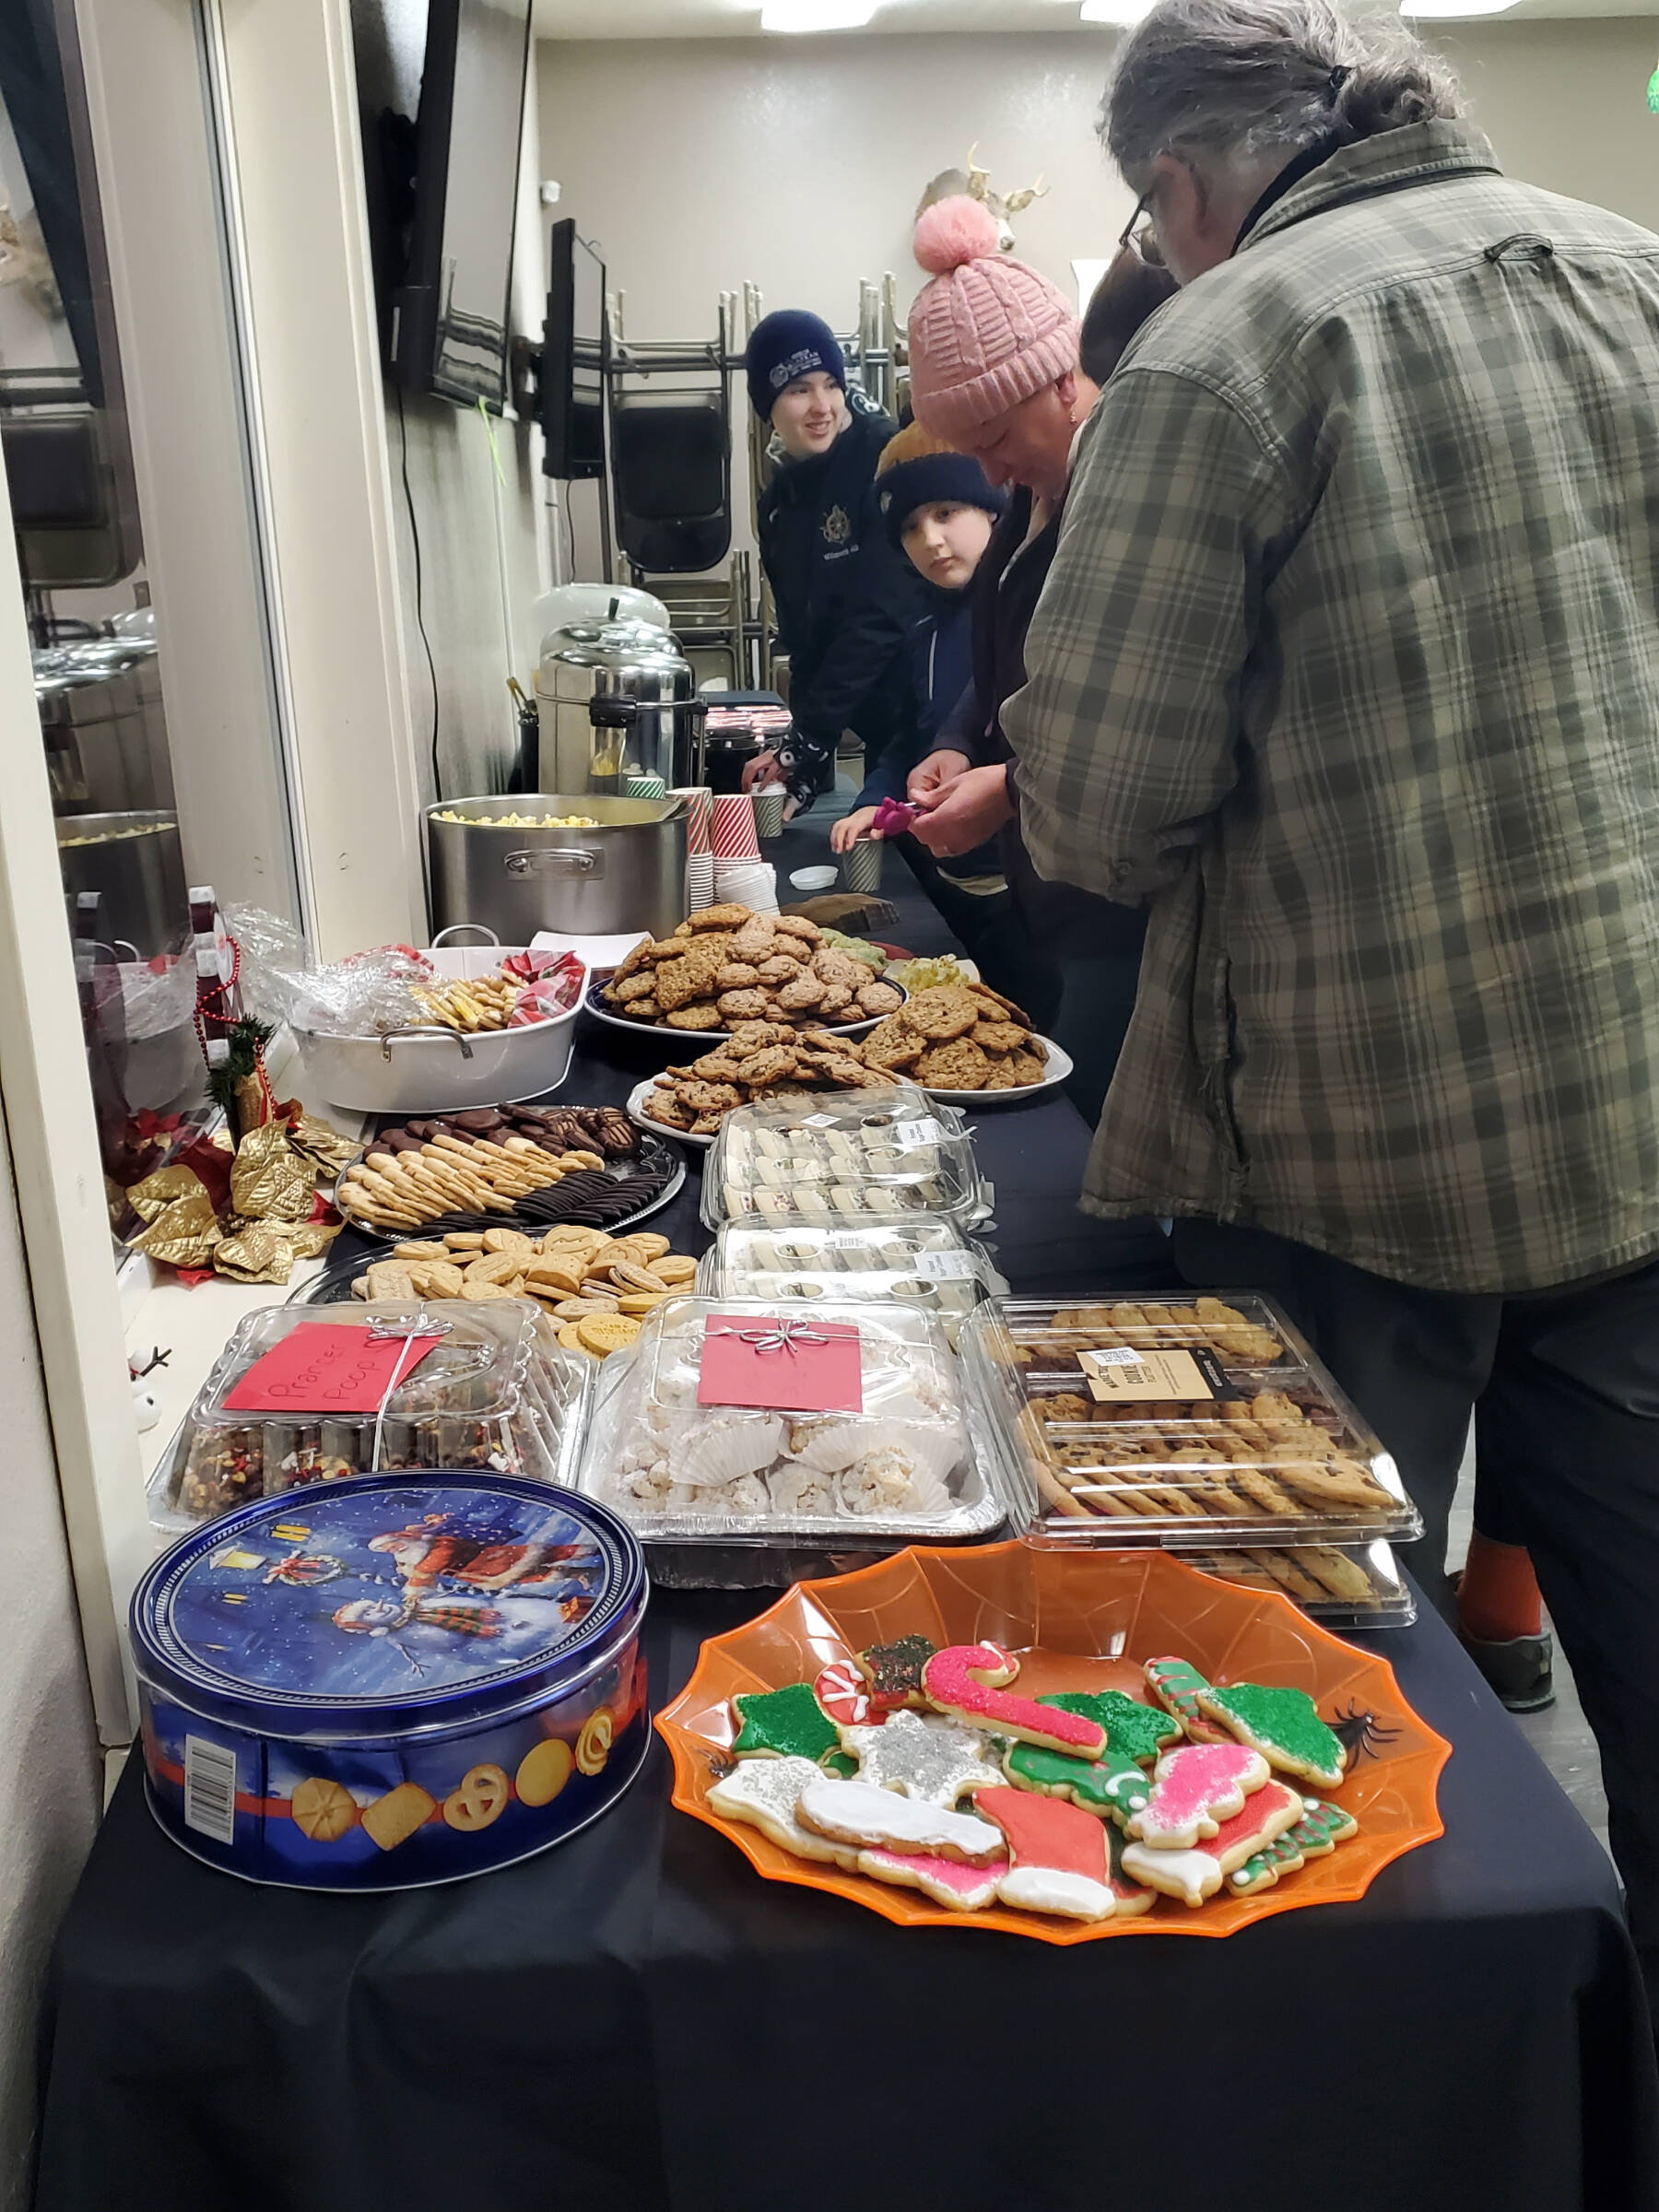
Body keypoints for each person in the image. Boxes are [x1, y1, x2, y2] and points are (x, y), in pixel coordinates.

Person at [1003, 0, 1659, 2003]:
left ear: (1178, 187)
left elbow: (1101, 811)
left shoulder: (1224, 351)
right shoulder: (1636, 270)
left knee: (1297, 1711)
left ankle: (1372, 2086)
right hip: (1639, 1116)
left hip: (1351, 1150)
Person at [900, 198, 1177, 1119]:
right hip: (1049, 893)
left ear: (1061, 382)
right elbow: (1007, 665)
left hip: (1122, 907)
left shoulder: (1126, 500)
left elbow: (1145, 717)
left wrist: (1012, 789)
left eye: (995, 440)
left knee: (1092, 1124)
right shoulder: (1033, 495)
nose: (987, 474)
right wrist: (960, 742)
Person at [828, 424, 1041, 987]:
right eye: (910, 527)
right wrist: (875, 802)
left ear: (993, 506)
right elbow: (909, 737)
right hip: (950, 879)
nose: (931, 540)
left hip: (1026, 887)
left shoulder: (1026, 612)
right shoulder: (922, 626)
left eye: (947, 513)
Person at [742, 310, 924, 815]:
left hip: (929, 722)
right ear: (768, 405)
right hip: (877, 730)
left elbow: (882, 615)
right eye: (799, 389)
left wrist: (809, 738)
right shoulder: (778, 505)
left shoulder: (883, 456)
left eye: (831, 385)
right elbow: (805, 645)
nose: (821, 406)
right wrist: (804, 767)